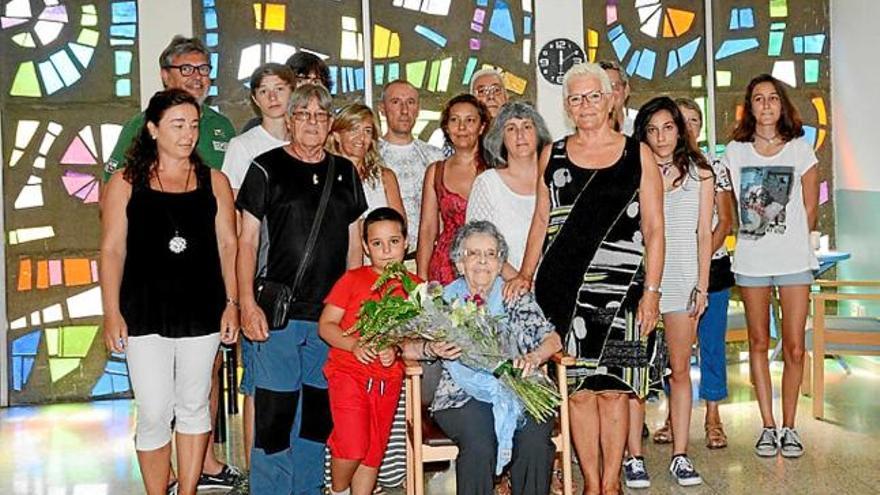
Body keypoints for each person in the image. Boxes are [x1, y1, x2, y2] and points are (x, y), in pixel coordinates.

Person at [506, 62, 664, 495]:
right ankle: (591, 484)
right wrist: (524, 272)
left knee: (615, 391)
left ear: (611, 99)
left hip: (627, 295)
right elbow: (542, 218)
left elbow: (654, 228)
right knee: (576, 393)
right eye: (575, 98)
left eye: (593, 95)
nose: (585, 105)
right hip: (562, 293)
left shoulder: (639, 153)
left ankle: (612, 484)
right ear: (567, 107)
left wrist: (652, 293)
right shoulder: (552, 153)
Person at [100, 89, 239, 495]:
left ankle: (189, 489)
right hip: (144, 311)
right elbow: (111, 249)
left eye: (193, 125)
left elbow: (229, 246)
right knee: (155, 410)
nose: (188, 134)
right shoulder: (125, 183)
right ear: (152, 129)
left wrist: (231, 304)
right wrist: (112, 312)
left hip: (203, 309)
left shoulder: (215, 181)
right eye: (177, 125)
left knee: (194, 405)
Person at [237, 83, 367, 494]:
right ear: (290, 120)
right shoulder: (264, 167)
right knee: (274, 420)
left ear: (330, 124)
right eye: (304, 114)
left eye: (321, 115)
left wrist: (354, 308)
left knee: (315, 419)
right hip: (277, 315)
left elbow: (353, 247)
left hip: (328, 320)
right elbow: (247, 242)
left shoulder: (345, 172)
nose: (312, 122)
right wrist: (245, 304)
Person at [404, 220, 562, 495]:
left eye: (490, 254)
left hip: (522, 387)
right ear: (459, 263)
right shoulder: (442, 301)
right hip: (460, 395)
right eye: (473, 254)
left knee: (535, 439)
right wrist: (431, 349)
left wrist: (534, 357)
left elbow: (553, 340)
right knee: (479, 443)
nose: (482, 261)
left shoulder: (513, 295)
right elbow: (406, 348)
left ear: (500, 263)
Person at [722, 74, 818, 459]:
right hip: (752, 261)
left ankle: (791, 427)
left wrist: (791, 239)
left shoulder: (799, 149)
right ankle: (767, 426)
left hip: (794, 258)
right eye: (758, 98)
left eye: (772, 98)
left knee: (794, 347)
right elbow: (729, 205)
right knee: (758, 342)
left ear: (782, 105)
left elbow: (810, 207)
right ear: (750, 106)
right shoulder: (735, 151)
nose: (766, 105)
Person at [633, 96, 714, 487]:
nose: (661, 136)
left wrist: (703, 284)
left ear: (680, 130)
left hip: (683, 279)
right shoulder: (634, 169)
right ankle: (634, 456)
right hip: (643, 281)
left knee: (680, 370)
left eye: (668, 127)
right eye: (653, 129)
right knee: (633, 373)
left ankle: (681, 454)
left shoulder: (701, 172)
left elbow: (704, 234)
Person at [220, 62, 294, 471]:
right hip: (263, 270)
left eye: (280, 88)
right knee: (259, 384)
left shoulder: (311, 138)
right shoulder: (243, 146)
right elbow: (234, 218)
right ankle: (253, 469)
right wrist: (239, 284)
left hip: (302, 277)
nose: (273, 97)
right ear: (254, 98)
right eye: (263, 90)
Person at [319, 208, 416, 495]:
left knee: (373, 451)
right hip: (348, 374)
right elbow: (326, 325)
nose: (386, 251)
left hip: (387, 381)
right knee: (352, 444)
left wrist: (396, 349)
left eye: (394, 242)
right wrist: (353, 344)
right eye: (377, 243)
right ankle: (337, 491)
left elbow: (419, 337)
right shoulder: (352, 279)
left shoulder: (417, 288)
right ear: (365, 247)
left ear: (406, 242)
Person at [678, 97, 735, 449]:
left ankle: (713, 415)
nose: (687, 128)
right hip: (674, 270)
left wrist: (700, 257)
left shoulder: (716, 165)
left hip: (713, 266)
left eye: (693, 120)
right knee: (676, 349)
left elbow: (725, 220)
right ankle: (674, 416)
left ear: (701, 127)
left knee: (711, 343)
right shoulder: (660, 166)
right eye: (680, 121)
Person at [104, 36, 235, 181]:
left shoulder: (222, 125)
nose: (197, 76)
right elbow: (110, 187)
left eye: (203, 69)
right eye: (186, 69)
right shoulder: (142, 124)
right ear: (165, 76)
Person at [466, 101, 552, 278]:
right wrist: (520, 283)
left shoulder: (557, 181)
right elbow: (477, 245)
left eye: (527, 126)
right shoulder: (487, 184)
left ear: (538, 133)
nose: (520, 135)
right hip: (506, 291)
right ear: (501, 139)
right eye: (511, 129)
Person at [416, 94, 489, 284]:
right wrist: (422, 278)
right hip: (445, 264)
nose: (462, 128)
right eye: (455, 120)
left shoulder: (495, 169)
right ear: (447, 127)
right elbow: (428, 228)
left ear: (482, 127)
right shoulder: (435, 171)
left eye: (470, 120)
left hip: (486, 262)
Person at [327, 104, 405, 262]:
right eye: (353, 129)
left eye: (367, 131)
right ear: (336, 135)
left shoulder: (385, 177)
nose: (361, 138)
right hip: (335, 265)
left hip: (380, 268)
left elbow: (400, 226)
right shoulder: (325, 178)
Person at [377, 80, 446, 253]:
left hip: (430, 257)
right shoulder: (371, 155)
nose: (404, 110)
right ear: (382, 109)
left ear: (418, 109)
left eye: (410, 102)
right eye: (395, 102)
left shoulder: (435, 156)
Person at [240, 52, 333, 134]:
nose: (307, 88)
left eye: (315, 81)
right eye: (300, 81)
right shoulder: (260, 129)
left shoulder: (333, 129)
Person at [599, 60, 633, 136]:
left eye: (614, 86)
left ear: (626, 90)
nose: (609, 93)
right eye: (602, 88)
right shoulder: (585, 135)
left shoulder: (639, 132)